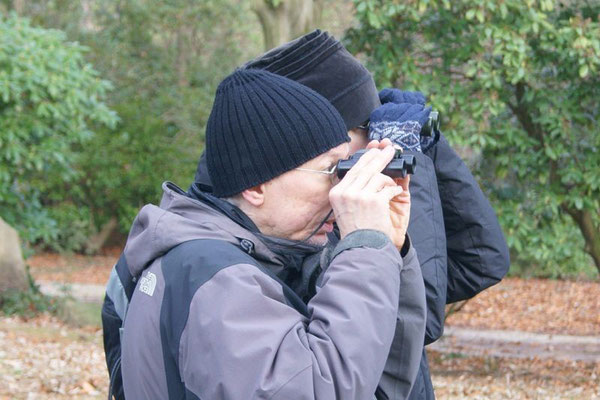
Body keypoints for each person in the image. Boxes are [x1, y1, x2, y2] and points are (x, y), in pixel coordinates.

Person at [193, 30, 511, 399]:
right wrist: (398, 164)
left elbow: (480, 260)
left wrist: (426, 150)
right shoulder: (301, 224)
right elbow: (413, 319)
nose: (377, 135)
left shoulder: (312, 207)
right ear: (324, 137)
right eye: (368, 124)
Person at [103, 68, 427, 399]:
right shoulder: (216, 278)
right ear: (256, 186)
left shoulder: (233, 263)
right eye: (331, 169)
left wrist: (389, 248)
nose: (341, 188)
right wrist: (364, 251)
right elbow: (316, 392)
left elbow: (373, 385)